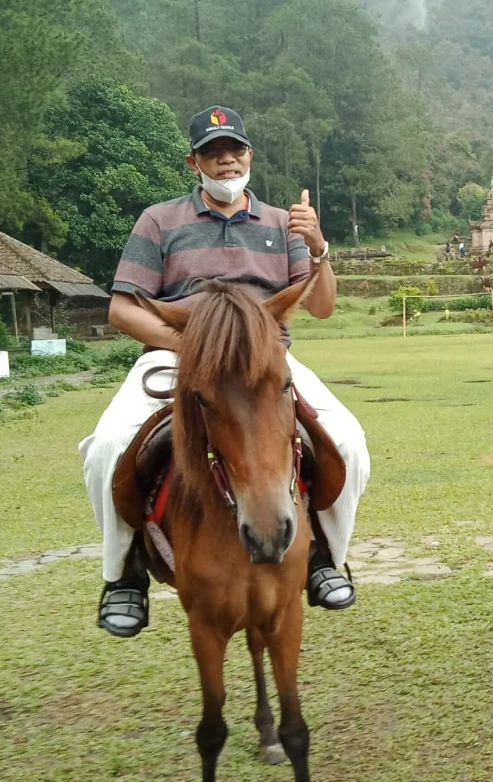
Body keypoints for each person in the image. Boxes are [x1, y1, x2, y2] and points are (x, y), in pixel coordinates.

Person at [80, 106, 370, 638]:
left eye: (235, 149)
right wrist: (192, 348)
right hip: (177, 355)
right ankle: (122, 576)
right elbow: (123, 310)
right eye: (213, 153)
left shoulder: (284, 224)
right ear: (195, 163)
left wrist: (319, 247)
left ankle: (324, 557)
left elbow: (323, 308)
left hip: (265, 359)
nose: (227, 160)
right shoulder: (158, 220)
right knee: (106, 448)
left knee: (348, 441)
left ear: (249, 156)